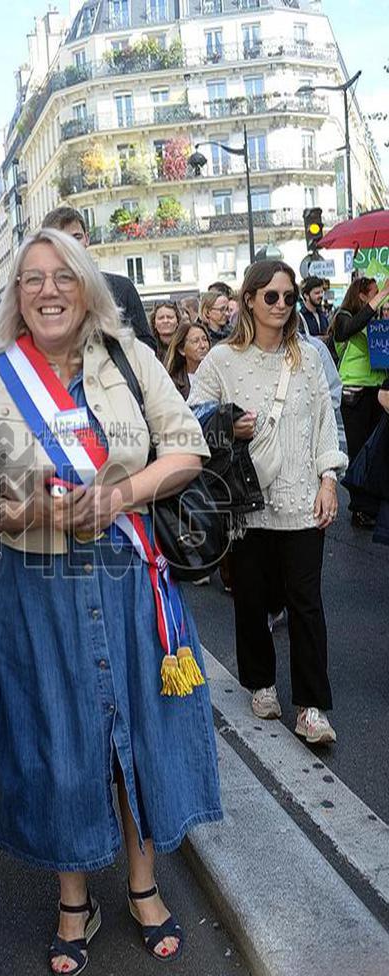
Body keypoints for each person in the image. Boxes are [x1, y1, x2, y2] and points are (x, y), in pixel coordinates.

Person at [0, 227, 222, 976]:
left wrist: (119, 494)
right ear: (16, 297)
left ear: (86, 289)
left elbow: (187, 449)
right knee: (58, 741)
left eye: (63, 278)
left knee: (134, 728)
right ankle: (74, 896)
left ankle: (142, 885)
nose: (47, 291)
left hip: (127, 573)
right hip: (37, 586)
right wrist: (35, 511)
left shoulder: (130, 359)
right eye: (32, 279)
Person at [189, 260, 347, 745]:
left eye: (288, 296)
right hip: (247, 503)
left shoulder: (311, 356)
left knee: (306, 604)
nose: (282, 305)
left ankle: (312, 706)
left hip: (302, 500)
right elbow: (192, 415)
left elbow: (326, 418)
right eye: (271, 296)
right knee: (253, 602)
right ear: (250, 301)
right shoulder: (222, 360)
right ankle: (260, 682)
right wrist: (226, 422)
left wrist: (328, 479)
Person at [42, 206, 156, 351]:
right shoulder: (41, 298)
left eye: (77, 237)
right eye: (63, 240)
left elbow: (148, 347)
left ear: (87, 239)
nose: (72, 245)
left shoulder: (122, 288)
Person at [332, 276, 389, 528]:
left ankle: (372, 505)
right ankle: (359, 508)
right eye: (375, 293)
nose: (382, 296)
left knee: (375, 450)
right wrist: (380, 298)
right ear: (362, 295)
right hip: (354, 391)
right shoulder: (343, 316)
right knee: (358, 450)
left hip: (377, 390)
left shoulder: (377, 319)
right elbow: (347, 330)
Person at [165, 319, 210, 401]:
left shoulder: (217, 375)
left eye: (205, 339)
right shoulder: (173, 383)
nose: (203, 346)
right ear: (182, 350)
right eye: (196, 341)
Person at [299, 276, 330, 341]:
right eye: (317, 293)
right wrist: (320, 339)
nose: (321, 295)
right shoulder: (299, 318)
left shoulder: (323, 316)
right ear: (306, 295)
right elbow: (299, 341)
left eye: (322, 292)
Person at [150, 300, 181, 364]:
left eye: (170, 317)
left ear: (177, 321)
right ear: (154, 323)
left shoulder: (184, 346)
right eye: (161, 318)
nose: (165, 321)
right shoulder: (149, 348)